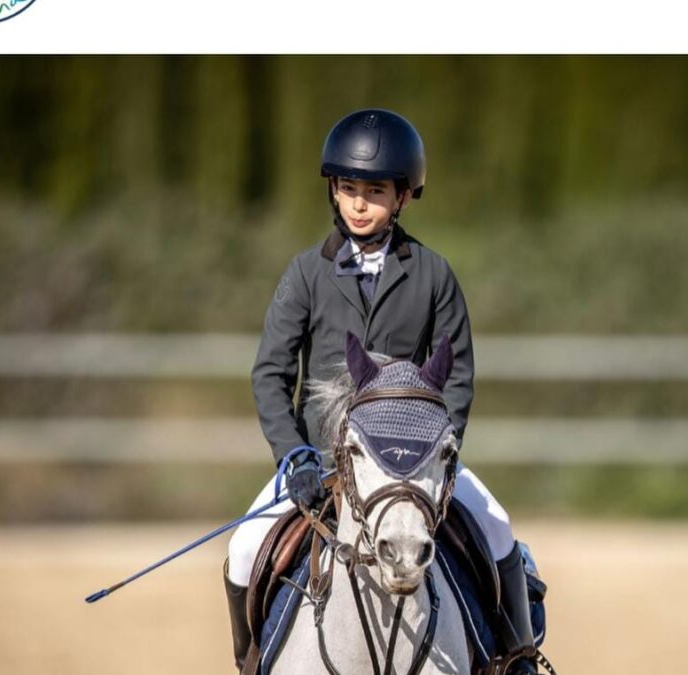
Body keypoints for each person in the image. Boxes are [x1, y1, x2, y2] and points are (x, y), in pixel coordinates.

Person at [223, 108, 539, 673]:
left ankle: (516, 659)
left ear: (404, 196)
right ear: (334, 192)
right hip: (319, 460)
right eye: (349, 189)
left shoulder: (435, 275)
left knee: (497, 528)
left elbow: (457, 377)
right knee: (244, 549)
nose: (360, 203)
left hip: (416, 462)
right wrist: (292, 454)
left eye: (374, 190)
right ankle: (250, 663)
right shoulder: (303, 275)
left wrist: (437, 457)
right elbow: (270, 375)